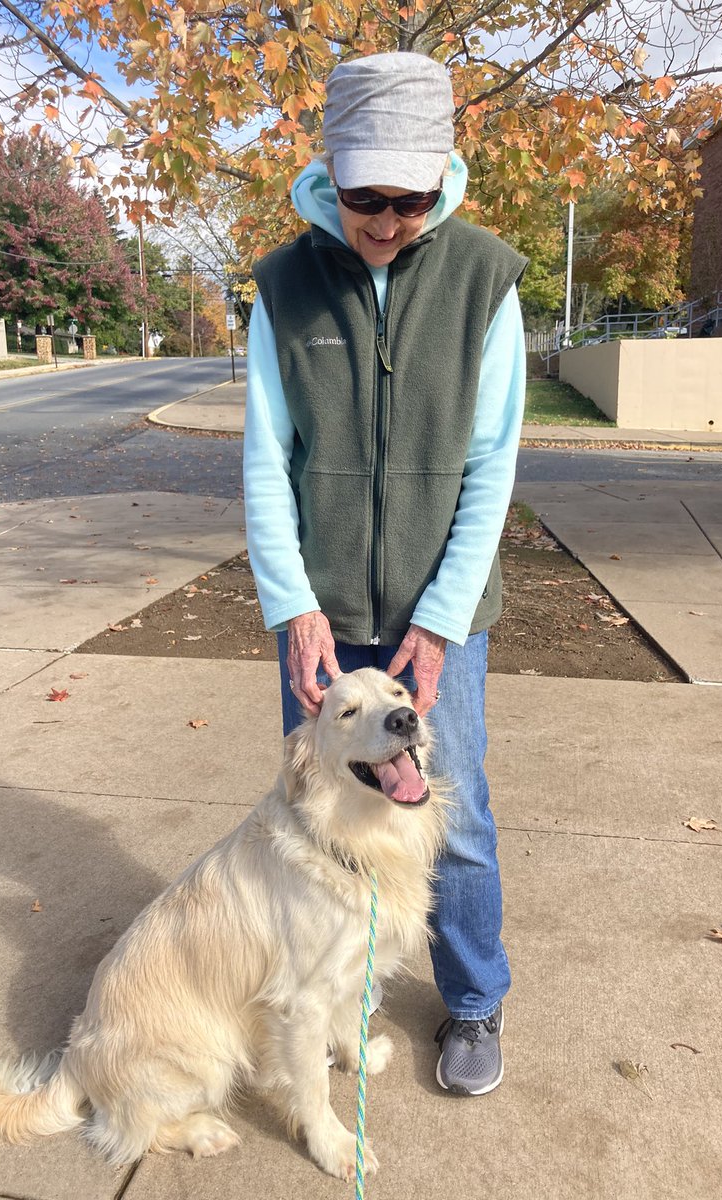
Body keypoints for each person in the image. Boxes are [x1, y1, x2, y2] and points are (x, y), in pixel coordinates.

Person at [243, 51, 527, 1097]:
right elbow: (268, 460)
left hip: (437, 616)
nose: (386, 219)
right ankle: (342, 986)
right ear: (331, 171)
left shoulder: (484, 277)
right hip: (324, 617)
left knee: (442, 806)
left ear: (440, 177)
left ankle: (472, 995)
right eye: (366, 196)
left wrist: (445, 618)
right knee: (324, 811)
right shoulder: (283, 285)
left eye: (408, 199)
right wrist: (294, 606)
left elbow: (493, 461)